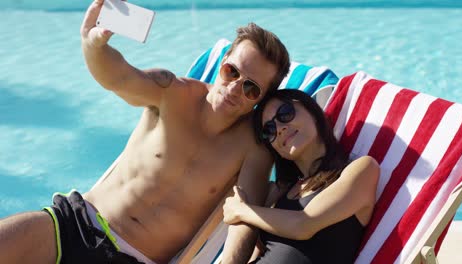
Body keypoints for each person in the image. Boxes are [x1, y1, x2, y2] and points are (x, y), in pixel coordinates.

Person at [0, 0, 290, 263]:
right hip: (77, 222)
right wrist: (94, 46)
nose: (235, 88)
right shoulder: (173, 92)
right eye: (232, 72)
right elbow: (120, 77)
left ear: (262, 99)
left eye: (251, 88)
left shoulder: (252, 148)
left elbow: (243, 217)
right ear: (223, 62)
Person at [222, 89, 380, 263]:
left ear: (312, 111)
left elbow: (303, 225)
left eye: (285, 113)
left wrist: (241, 210)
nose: (280, 129)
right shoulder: (281, 192)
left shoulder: (362, 169)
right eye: (269, 130)